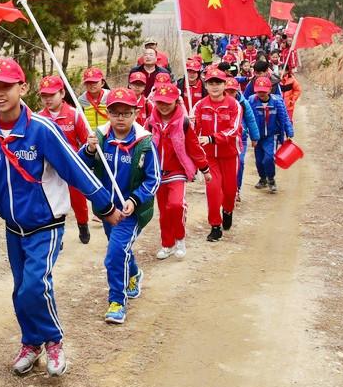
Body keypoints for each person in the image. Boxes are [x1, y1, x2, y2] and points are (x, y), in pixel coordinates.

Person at [0, 58, 121, 378]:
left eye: (6, 87)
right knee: (20, 290)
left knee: (34, 285)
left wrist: (105, 206)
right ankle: (31, 342)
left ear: (22, 88)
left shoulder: (42, 130)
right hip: (13, 227)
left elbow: (74, 168)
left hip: (47, 222)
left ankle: (53, 340)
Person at [80, 88, 160, 324]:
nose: (121, 118)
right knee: (121, 249)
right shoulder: (100, 138)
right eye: (116, 113)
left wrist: (135, 200)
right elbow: (79, 167)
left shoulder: (144, 143)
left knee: (114, 255)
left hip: (131, 211)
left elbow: (153, 179)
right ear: (108, 114)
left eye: (126, 113)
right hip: (106, 209)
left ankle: (117, 301)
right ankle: (134, 273)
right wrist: (89, 150)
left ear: (136, 113)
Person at [146, 83, 211, 259]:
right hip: (157, 173)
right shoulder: (151, 122)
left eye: (168, 102)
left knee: (175, 205)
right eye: (160, 102)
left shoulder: (183, 122)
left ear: (176, 101)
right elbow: (142, 145)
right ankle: (167, 244)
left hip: (177, 171)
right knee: (164, 211)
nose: (164, 106)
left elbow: (194, 147)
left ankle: (180, 239)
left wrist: (204, 168)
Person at [37, 75, 93, 244]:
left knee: (78, 200)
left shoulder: (75, 115)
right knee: (52, 202)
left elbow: (85, 141)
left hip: (71, 166)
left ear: (62, 93)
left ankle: (83, 224)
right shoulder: (39, 118)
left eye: (51, 95)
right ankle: (56, 234)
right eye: (44, 95)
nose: (47, 99)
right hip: (50, 170)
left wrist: (84, 159)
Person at [192, 68, 243, 242]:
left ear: (224, 85)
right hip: (209, 158)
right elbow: (193, 131)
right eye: (211, 83)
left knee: (229, 191)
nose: (214, 86)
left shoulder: (233, 105)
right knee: (213, 190)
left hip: (229, 155)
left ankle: (228, 210)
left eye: (218, 83)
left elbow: (234, 130)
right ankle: (215, 226)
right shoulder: (199, 106)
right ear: (206, 85)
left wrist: (213, 138)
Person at [250, 76, 294, 194]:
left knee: (268, 158)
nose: (261, 93)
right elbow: (246, 117)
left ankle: (271, 179)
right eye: (259, 91)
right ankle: (262, 178)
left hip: (271, 135)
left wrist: (289, 131)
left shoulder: (277, 101)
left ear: (270, 89)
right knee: (259, 160)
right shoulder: (252, 101)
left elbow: (284, 117)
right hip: (257, 136)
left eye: (264, 91)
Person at [226, 75, 260, 205]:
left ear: (237, 91)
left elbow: (251, 119)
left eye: (232, 91)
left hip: (241, 139)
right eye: (227, 91)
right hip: (225, 140)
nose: (229, 94)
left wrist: (255, 137)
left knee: (239, 162)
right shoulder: (219, 102)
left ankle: (236, 189)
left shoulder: (243, 103)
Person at [79, 66, 110, 132]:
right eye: (88, 82)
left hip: (108, 133)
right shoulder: (81, 100)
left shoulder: (110, 96)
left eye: (95, 82)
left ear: (102, 83)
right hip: (90, 135)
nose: (92, 85)